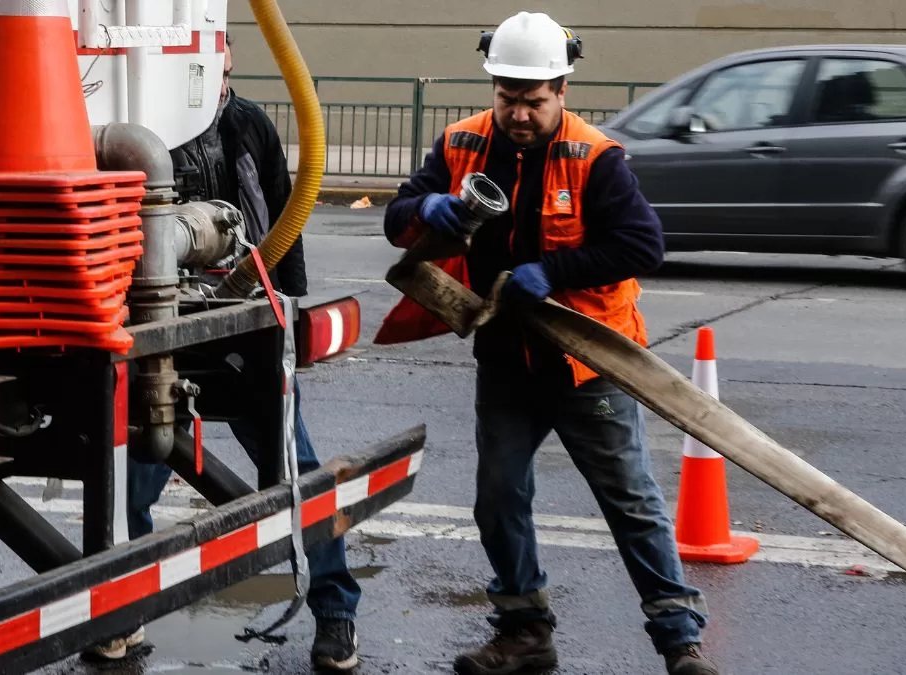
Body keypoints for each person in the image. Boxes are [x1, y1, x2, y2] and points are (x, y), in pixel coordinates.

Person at [374, 12, 720, 675]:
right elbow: (396, 215)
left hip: (586, 361)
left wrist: (555, 272)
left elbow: (643, 244)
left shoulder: (596, 157)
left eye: (534, 101)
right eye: (508, 98)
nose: (520, 115)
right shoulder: (460, 144)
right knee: (499, 496)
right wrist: (426, 210)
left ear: (562, 89)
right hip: (505, 360)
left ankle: (681, 641)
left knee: (632, 501)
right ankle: (525, 631)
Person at [124, 33, 364, 672]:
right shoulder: (133, 130)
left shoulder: (248, 123)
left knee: (298, 471)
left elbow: (284, 213)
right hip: (158, 334)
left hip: (246, 322)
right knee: (134, 480)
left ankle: (337, 613)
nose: (213, 83)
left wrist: (292, 313)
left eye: (219, 68)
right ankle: (120, 614)